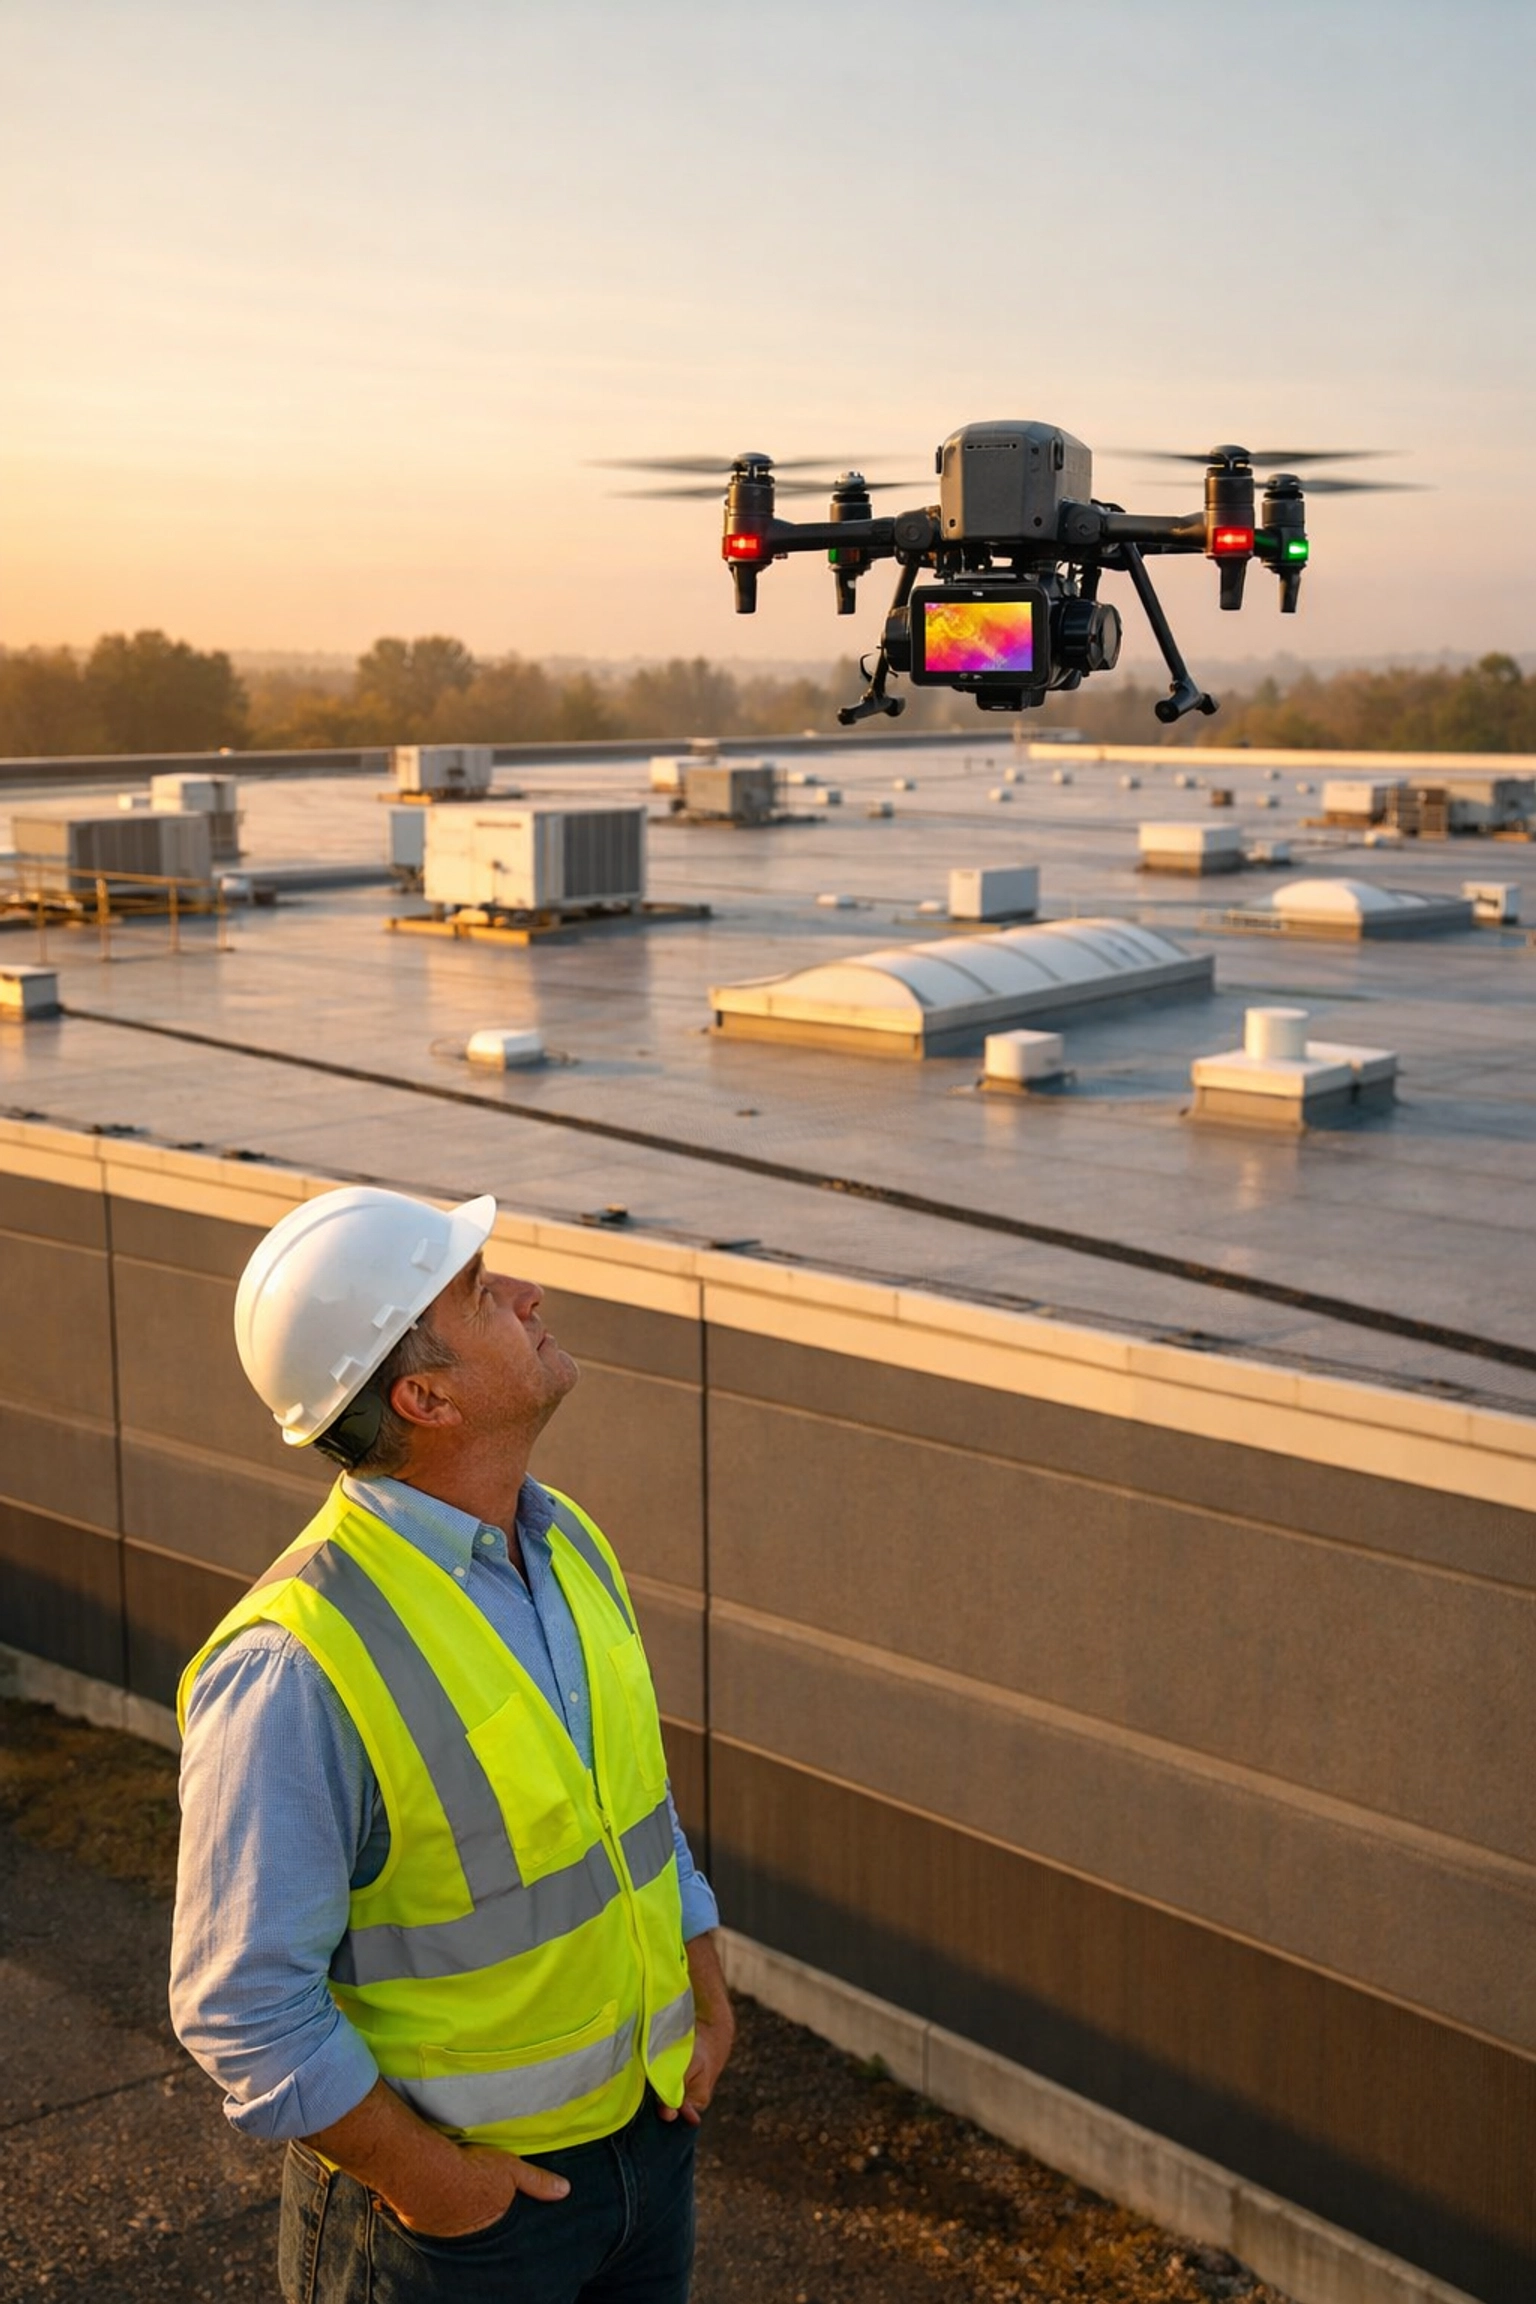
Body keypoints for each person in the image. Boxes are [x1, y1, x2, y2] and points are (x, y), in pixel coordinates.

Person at [170, 1184, 733, 2304]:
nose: (529, 1293)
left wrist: (707, 2002)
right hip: (453, 2232)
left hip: (648, 2147)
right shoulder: (295, 1662)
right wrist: (441, 2190)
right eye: (480, 1292)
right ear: (424, 1397)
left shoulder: (564, 1542)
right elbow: (243, 2004)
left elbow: (634, 1811)